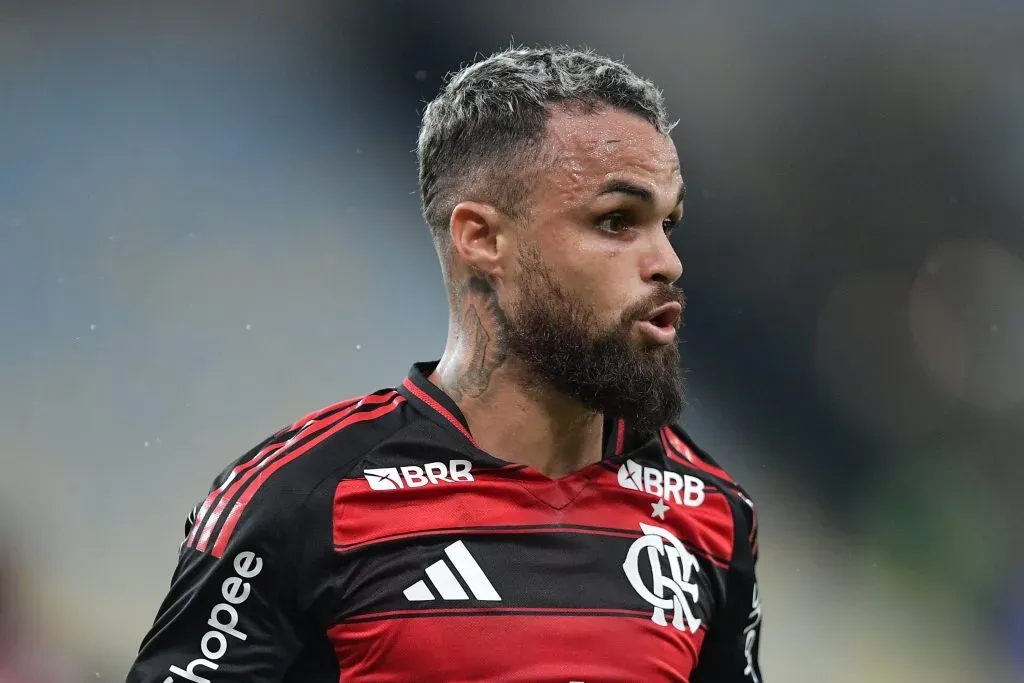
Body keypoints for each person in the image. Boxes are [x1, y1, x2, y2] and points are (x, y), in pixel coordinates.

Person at [127, 46, 764, 682]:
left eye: (668, 223)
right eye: (617, 221)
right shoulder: (301, 502)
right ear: (482, 238)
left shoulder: (711, 510)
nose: (669, 264)